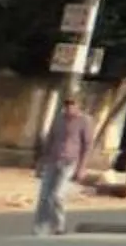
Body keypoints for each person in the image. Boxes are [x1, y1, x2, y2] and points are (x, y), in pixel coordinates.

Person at [34, 87, 96, 236]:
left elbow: (87, 145)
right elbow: (50, 139)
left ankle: (59, 225)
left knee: (58, 195)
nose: (69, 107)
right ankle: (40, 227)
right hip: (52, 160)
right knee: (43, 196)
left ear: (78, 105)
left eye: (72, 104)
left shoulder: (84, 121)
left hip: (70, 161)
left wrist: (82, 168)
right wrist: (41, 162)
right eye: (66, 104)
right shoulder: (58, 119)